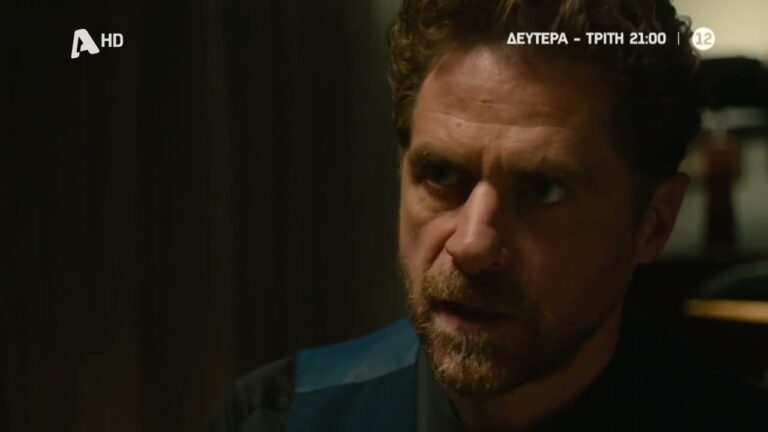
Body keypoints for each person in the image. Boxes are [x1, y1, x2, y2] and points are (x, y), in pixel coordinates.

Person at [211, 0, 768, 430]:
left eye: (544, 189)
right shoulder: (278, 418)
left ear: (654, 222)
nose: (471, 244)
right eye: (441, 174)